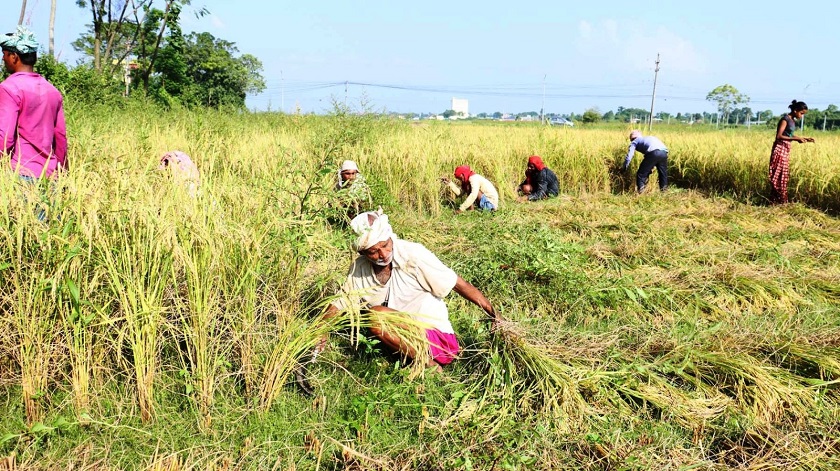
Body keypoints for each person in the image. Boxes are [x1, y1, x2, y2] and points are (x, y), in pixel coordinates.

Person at [319, 209, 501, 371]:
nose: (383, 254)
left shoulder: (413, 254)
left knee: (375, 316)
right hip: (399, 337)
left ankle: (429, 366)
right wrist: (320, 331)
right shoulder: (360, 268)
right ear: (363, 253)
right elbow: (340, 302)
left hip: (438, 341)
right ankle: (406, 357)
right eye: (373, 252)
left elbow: (457, 283)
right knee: (368, 321)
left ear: (390, 236)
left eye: (385, 245)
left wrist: (493, 313)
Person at [0, 26, 67, 179]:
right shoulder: (52, 90)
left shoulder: (9, 88)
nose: (3, 59)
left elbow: (4, 138)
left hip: (21, 174)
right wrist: (62, 172)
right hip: (51, 176)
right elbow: (60, 137)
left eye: (4, 55)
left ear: (14, 57)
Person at [768, 100, 815, 204]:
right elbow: (779, 136)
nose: (801, 116)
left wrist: (804, 139)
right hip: (780, 149)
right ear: (795, 110)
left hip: (786, 149)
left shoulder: (792, 121)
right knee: (778, 175)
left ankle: (778, 201)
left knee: (783, 176)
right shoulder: (785, 119)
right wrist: (795, 139)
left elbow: (789, 135)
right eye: (801, 113)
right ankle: (777, 200)